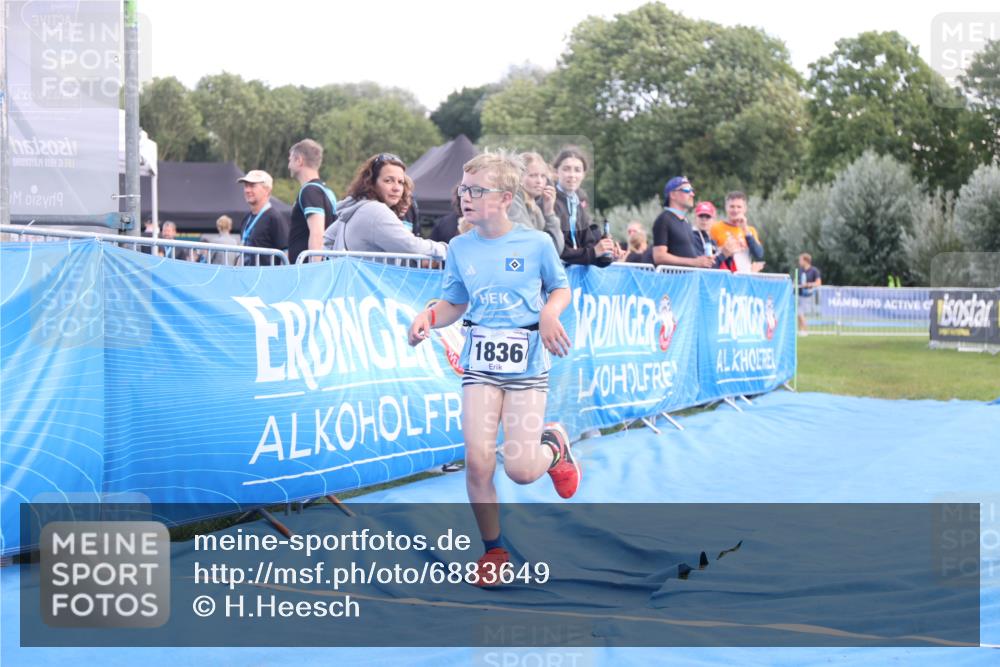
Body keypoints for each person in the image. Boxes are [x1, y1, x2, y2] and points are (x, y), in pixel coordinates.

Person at [406, 150, 579, 586]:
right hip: (480, 368)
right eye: (463, 189)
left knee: (521, 470)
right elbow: (454, 302)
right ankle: (494, 551)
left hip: (526, 370)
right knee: (478, 463)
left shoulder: (536, 244)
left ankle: (554, 446)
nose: (465, 197)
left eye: (476, 190)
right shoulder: (459, 247)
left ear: (504, 198)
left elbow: (561, 289)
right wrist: (429, 316)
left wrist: (549, 313)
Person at [324, 153, 447, 259]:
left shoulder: (355, 209)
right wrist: (446, 249)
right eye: (388, 180)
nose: (396, 188)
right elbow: (411, 245)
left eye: (400, 182)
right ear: (371, 182)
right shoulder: (375, 211)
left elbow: (326, 240)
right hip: (374, 280)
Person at [552, 147, 620, 266]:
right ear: (556, 172)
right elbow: (558, 251)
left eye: (577, 170)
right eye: (566, 169)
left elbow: (588, 248)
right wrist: (594, 252)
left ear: (583, 174)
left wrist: (607, 254)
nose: (572, 175)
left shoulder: (578, 202)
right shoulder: (549, 200)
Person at [287, 138, 337, 264]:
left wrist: (314, 270)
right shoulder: (326, 191)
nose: (288, 166)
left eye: (290, 160)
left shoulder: (310, 190)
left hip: (307, 270)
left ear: (299, 160)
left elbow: (317, 233)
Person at [508, 152, 564, 253]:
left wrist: (549, 212)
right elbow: (531, 244)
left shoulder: (535, 208)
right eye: (533, 175)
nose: (539, 181)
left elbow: (556, 249)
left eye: (543, 176)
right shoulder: (513, 201)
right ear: (519, 177)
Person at [652, 177, 714, 268]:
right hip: (672, 277)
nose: (692, 194)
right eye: (687, 190)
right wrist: (694, 262)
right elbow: (659, 256)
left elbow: (686, 255)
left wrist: (702, 261)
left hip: (688, 276)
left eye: (692, 190)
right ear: (673, 195)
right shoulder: (664, 219)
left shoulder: (686, 221)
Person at [236, 169, 288, 266]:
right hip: (246, 274)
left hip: (266, 275)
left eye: (252, 186)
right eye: (246, 186)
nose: (247, 190)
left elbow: (286, 253)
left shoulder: (274, 218)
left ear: (267, 190)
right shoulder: (247, 218)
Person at [709, 191, 764, 273]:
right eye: (732, 206)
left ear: (745, 209)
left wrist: (745, 230)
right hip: (724, 276)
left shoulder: (750, 230)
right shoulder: (716, 228)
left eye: (739, 207)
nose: (735, 210)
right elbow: (710, 258)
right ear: (726, 207)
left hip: (744, 276)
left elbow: (759, 254)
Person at [797, 253, 822, 333]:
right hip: (799, 294)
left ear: (806, 261)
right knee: (799, 314)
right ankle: (801, 330)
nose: (799, 262)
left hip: (808, 295)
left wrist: (809, 284)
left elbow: (818, 283)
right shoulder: (800, 270)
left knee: (800, 312)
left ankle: (805, 330)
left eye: (800, 260)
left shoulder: (814, 270)